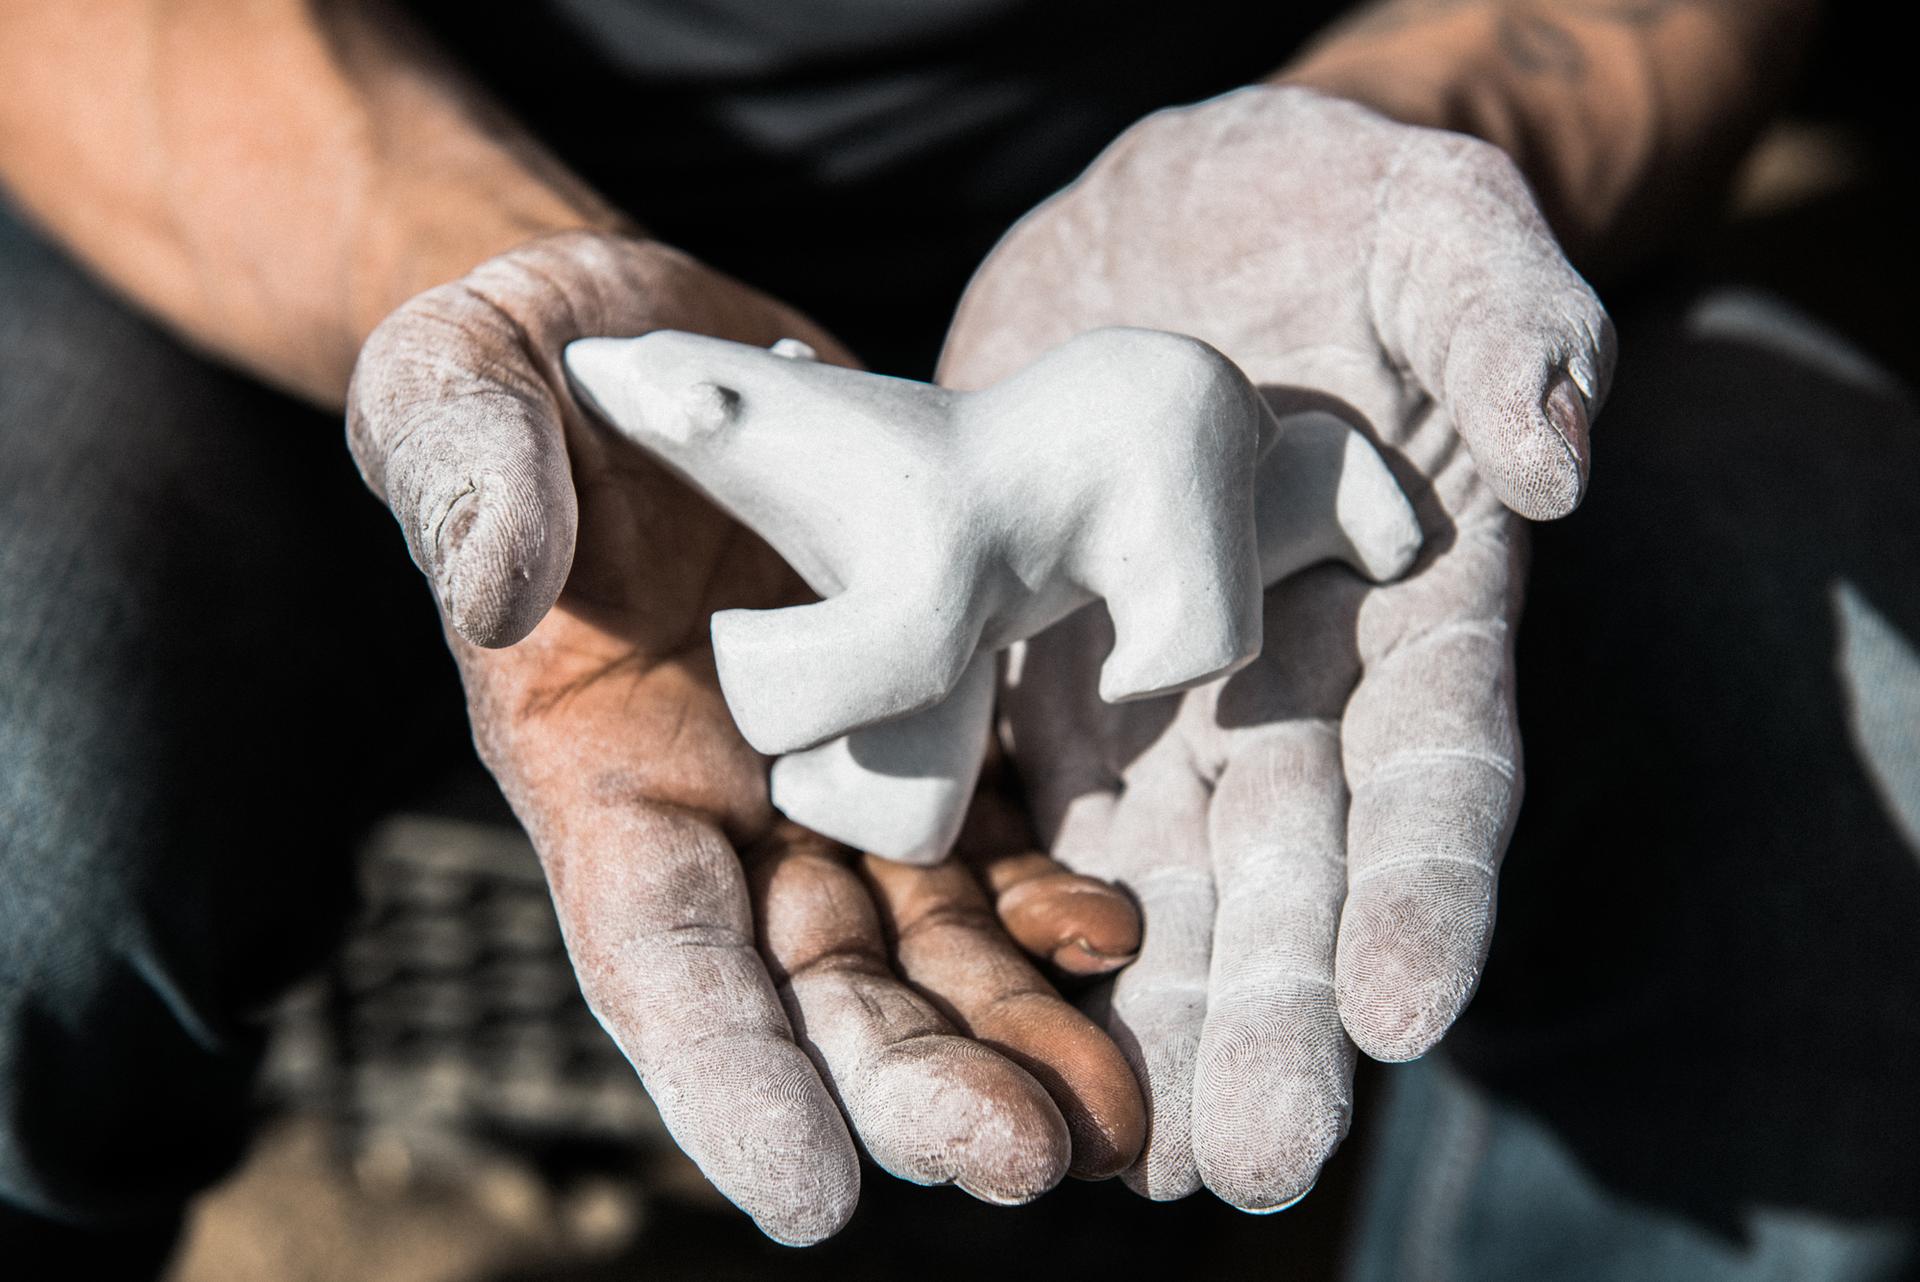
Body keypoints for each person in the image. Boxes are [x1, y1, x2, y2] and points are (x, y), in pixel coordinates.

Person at [8, 2, 1916, 1279]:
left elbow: (915, 620)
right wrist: (461, 273)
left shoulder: (889, 492)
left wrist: (1401, 134)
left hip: (1227, 250)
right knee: (26, 786)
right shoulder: (754, 426)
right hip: (325, 199)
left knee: (1830, 663)